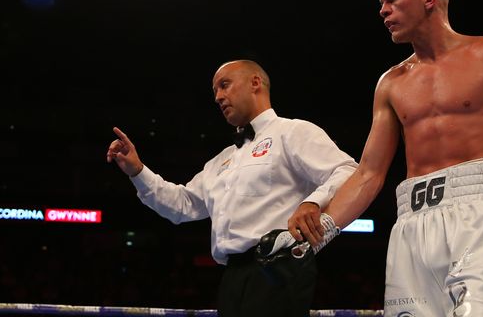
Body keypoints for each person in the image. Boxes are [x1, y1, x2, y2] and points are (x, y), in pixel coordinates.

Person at [282, 0, 483, 316]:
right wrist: (317, 236)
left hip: (480, 215)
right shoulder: (391, 83)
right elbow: (369, 174)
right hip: (411, 225)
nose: (383, 10)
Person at [106, 59, 357, 317]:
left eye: (224, 85)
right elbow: (181, 205)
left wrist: (313, 202)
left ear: (255, 83)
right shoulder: (221, 160)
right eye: (215, 91)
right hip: (232, 275)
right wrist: (137, 171)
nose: (218, 97)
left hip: (280, 267)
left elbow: (348, 171)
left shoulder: (292, 132)